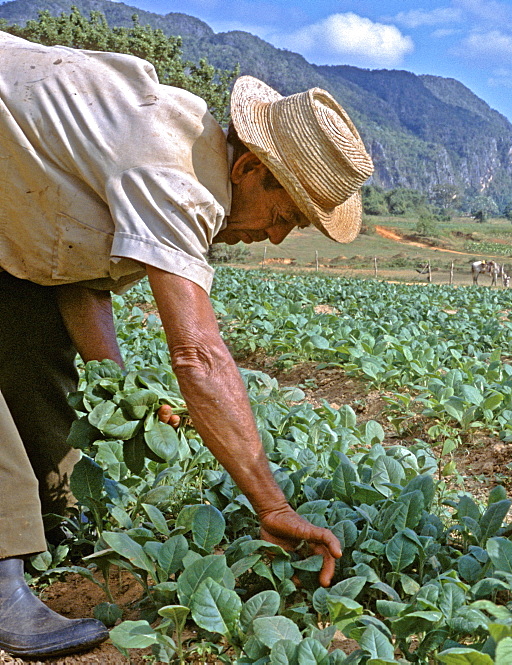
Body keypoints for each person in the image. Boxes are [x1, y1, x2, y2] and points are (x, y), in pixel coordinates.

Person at [0, 31, 374, 657]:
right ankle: (2, 569)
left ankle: (55, 512)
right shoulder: (178, 177)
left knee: (32, 334)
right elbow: (198, 354)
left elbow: (76, 281)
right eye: (284, 216)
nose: (276, 239)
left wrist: (120, 384)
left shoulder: (187, 143)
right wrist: (271, 503)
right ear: (252, 168)